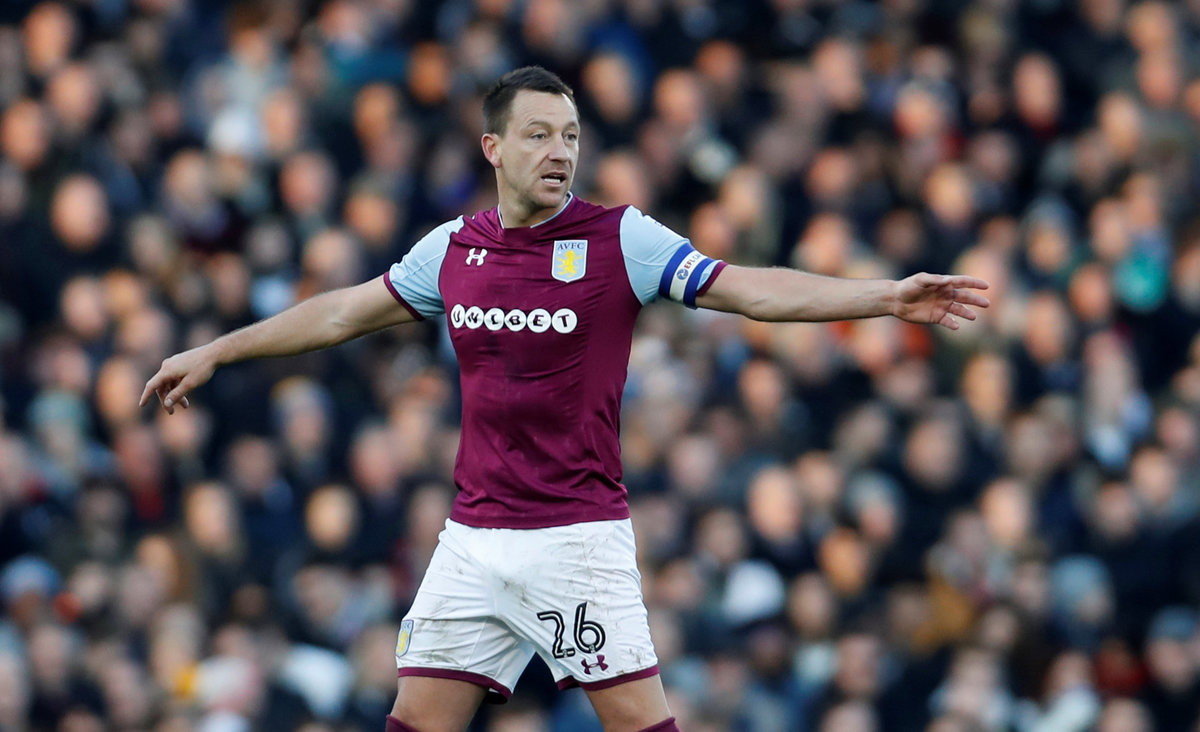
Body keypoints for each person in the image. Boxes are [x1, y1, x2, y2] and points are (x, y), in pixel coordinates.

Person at [141, 66, 990, 732]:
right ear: (492, 148)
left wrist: (884, 296)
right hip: (473, 542)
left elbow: (748, 291)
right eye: (539, 134)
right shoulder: (454, 250)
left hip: (576, 541)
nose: (560, 151)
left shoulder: (621, 238)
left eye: (572, 136)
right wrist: (218, 349)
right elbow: (340, 313)